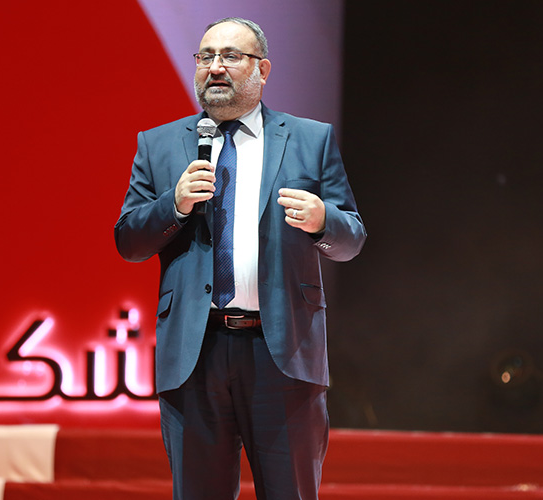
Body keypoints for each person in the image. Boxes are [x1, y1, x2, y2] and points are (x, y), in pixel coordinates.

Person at [114, 17, 366, 499]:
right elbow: (129, 242)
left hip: (282, 352)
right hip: (195, 355)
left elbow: (351, 240)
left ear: (262, 69)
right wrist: (174, 205)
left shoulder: (310, 139)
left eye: (230, 56)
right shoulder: (159, 144)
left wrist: (323, 220)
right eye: (205, 57)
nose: (215, 67)